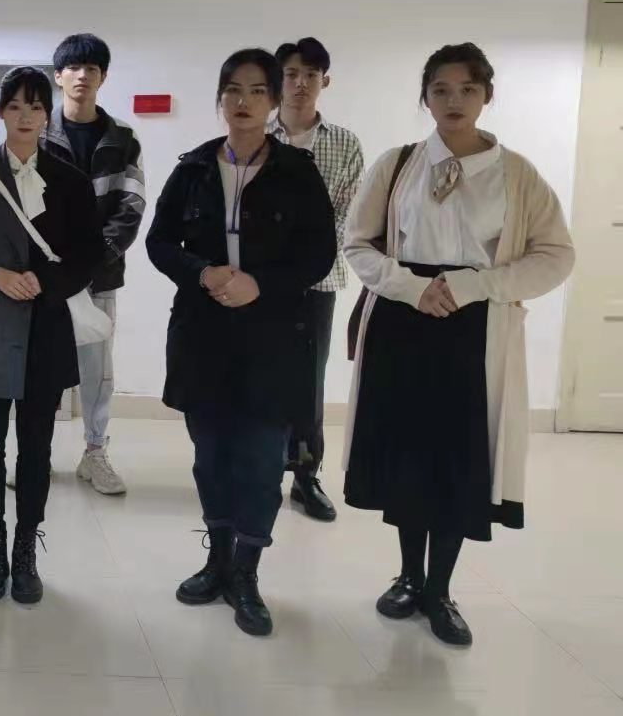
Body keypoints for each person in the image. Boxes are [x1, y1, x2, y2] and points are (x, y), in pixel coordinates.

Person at [343, 43, 574, 648]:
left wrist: (474, 286)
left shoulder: (517, 175)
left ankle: (440, 590)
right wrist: (411, 288)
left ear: (486, 96)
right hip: (403, 324)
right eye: (441, 89)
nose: (454, 101)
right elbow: (358, 243)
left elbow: (556, 255)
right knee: (407, 455)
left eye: (468, 89)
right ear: (425, 97)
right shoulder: (397, 165)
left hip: (474, 334)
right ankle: (408, 577)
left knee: (456, 460)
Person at [145, 48, 335, 637]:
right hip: (204, 336)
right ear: (220, 99)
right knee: (211, 457)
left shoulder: (297, 172)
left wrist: (262, 284)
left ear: (274, 101)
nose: (243, 101)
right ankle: (218, 561)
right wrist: (202, 272)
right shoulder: (195, 167)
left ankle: (247, 573)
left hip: (272, 337)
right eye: (233, 90)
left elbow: (319, 254)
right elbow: (159, 243)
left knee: (259, 460)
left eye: (257, 91)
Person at [0, 67, 104, 605]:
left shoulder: (70, 181)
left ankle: (26, 547)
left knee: (36, 447)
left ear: (47, 114)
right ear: (0, 112)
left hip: (46, 331)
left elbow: (90, 254)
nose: (26, 116)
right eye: (15, 105)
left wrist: (46, 282)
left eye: (35, 106)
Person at [41, 33, 145, 496]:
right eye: (74, 67)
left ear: (103, 77)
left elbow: (131, 204)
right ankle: (37, 451)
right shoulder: (38, 132)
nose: (83, 75)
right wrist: (54, 262)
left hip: (99, 274)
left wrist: (91, 259)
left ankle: (95, 451)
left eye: (92, 68)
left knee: (97, 369)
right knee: (42, 364)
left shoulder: (122, 138)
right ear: (58, 75)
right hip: (46, 275)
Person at [267, 37, 364, 522]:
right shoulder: (257, 135)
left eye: (310, 74)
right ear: (278, 80)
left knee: (309, 380)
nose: (300, 83)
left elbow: (348, 213)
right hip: (262, 282)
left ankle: (306, 475)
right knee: (263, 373)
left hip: (318, 282)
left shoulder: (344, 143)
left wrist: (308, 262)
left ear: (325, 81)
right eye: (291, 74)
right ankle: (264, 470)